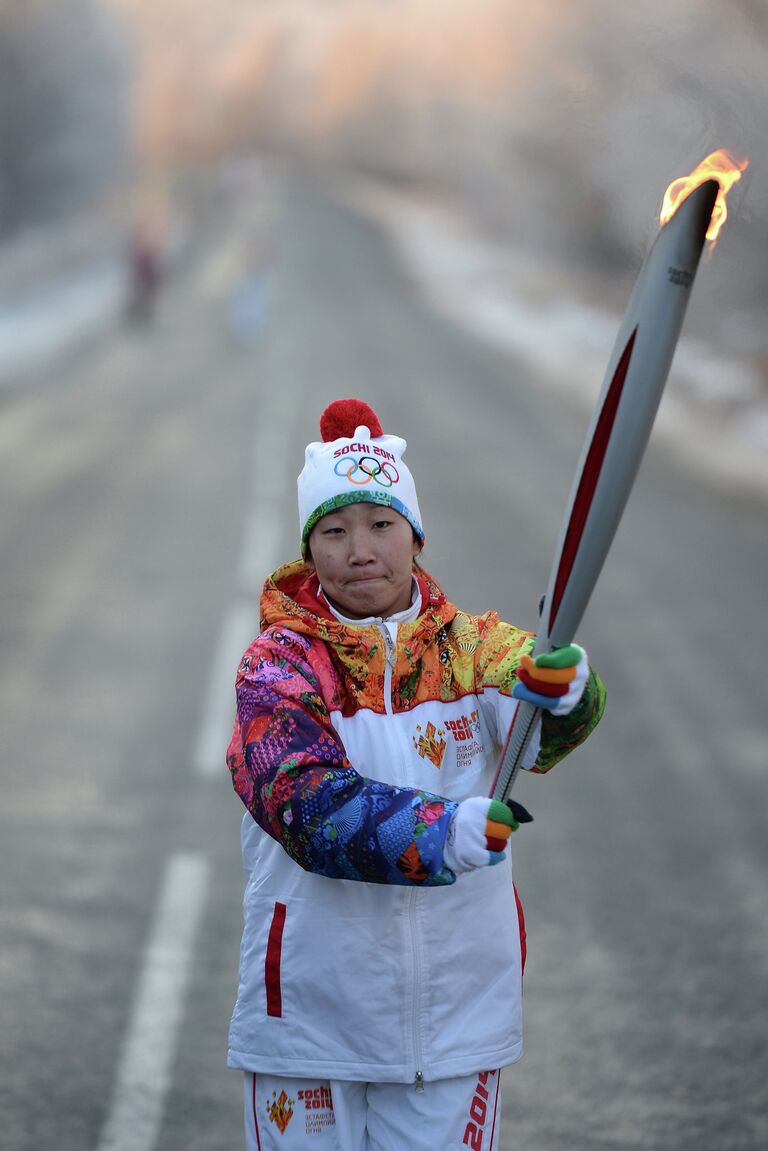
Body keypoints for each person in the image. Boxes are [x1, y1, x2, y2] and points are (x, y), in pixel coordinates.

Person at [227, 398, 605, 1150]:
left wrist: (568, 692)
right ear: (309, 549)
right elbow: (307, 808)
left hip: (455, 1016)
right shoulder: (277, 666)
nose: (360, 550)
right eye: (334, 531)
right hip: (311, 1019)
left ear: (416, 535)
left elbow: (540, 712)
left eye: (381, 525)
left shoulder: (472, 648)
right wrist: (446, 832)